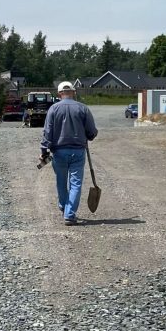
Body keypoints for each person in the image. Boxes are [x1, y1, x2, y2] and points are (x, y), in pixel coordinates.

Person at [40, 82, 98, 225]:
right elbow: (92, 131)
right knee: (75, 184)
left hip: (59, 151)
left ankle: (63, 205)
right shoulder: (83, 108)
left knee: (61, 181)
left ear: (59, 94)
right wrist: (88, 135)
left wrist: (43, 151)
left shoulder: (53, 109)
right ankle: (69, 213)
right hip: (78, 151)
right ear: (73, 92)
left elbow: (47, 132)